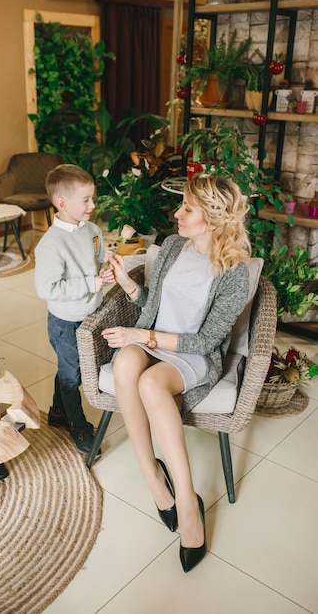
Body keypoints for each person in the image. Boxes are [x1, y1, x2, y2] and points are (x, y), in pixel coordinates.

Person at [101, 175, 251, 572]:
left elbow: (203, 340)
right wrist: (128, 286)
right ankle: (153, 475)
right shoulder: (170, 247)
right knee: (127, 361)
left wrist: (139, 334)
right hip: (154, 340)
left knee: (151, 381)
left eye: (187, 209)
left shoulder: (234, 273)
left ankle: (186, 501)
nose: (176, 214)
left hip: (193, 355)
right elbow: (154, 306)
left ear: (214, 220)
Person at [35, 164, 114, 456]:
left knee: (70, 371)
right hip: (65, 323)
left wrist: (107, 269)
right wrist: (90, 282)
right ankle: (77, 425)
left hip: (89, 315)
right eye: (86, 200)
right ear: (62, 203)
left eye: (93, 198)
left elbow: (98, 258)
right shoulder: (51, 245)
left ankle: (57, 412)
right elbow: (47, 289)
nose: (93, 205)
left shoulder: (92, 230)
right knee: (72, 376)